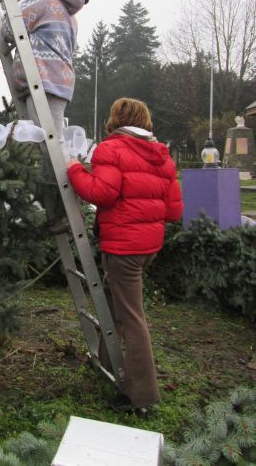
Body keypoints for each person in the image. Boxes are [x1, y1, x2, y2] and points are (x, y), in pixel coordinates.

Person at [66, 97, 183, 413]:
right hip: (148, 247)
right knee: (113, 301)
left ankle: (141, 397)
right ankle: (107, 364)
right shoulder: (161, 155)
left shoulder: (111, 148)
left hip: (123, 248)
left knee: (132, 317)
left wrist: (74, 168)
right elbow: (174, 211)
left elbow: (101, 192)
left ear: (116, 119)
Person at [1, 0, 89, 233]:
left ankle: (66, 210)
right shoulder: (67, 12)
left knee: (51, 144)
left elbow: (7, 30)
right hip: (56, 83)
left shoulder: (42, 2)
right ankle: (56, 209)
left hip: (43, 82)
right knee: (47, 143)